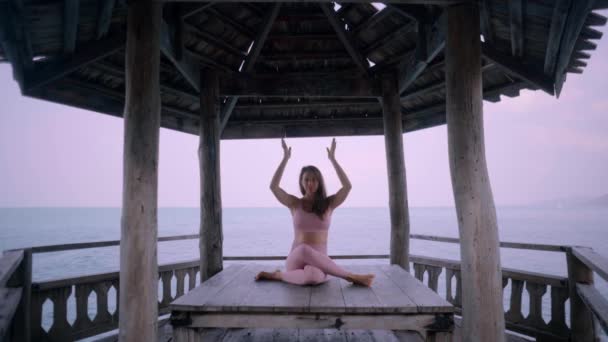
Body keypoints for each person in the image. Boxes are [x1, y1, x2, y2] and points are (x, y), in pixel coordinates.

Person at [255, 138, 375, 287]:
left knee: (312, 277)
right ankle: (351, 277)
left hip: (319, 263)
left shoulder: (329, 204)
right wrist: (285, 158)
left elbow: (347, 187)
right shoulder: (294, 203)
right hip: (296, 259)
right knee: (304, 249)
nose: (310, 183)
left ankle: (278, 275)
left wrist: (333, 159)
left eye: (314, 180)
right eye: (306, 180)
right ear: (301, 182)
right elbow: (274, 187)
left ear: (319, 183)